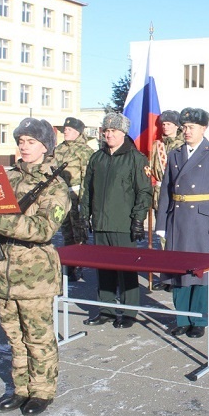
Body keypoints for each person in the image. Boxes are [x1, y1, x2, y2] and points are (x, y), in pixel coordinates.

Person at [0, 118, 70, 416]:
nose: (24, 146)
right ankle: (21, 388)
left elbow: (43, 229)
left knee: (37, 336)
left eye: (31, 141)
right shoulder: (7, 178)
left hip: (35, 276)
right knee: (14, 336)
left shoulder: (55, 185)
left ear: (45, 146)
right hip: (3, 272)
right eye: (21, 141)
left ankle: (42, 391)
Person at [156, 108, 209, 338]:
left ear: (203, 129)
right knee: (178, 270)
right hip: (177, 219)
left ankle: (199, 320)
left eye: (191, 127)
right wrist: (161, 222)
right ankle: (181, 318)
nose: (186, 131)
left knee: (199, 272)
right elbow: (166, 190)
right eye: (184, 127)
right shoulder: (175, 153)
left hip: (201, 221)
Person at [80, 112, 153, 329]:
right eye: (106, 130)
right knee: (103, 268)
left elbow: (144, 192)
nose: (108, 134)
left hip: (124, 224)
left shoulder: (136, 158)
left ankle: (130, 312)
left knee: (127, 270)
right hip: (101, 223)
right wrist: (85, 215)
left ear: (123, 133)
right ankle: (106, 309)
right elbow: (88, 191)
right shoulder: (97, 157)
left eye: (113, 131)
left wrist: (138, 220)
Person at [53, 116, 94, 281]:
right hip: (61, 196)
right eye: (64, 130)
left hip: (77, 195)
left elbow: (87, 177)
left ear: (78, 132)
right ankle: (68, 265)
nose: (65, 133)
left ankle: (79, 265)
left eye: (69, 130)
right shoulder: (58, 149)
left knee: (79, 233)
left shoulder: (85, 151)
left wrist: (84, 202)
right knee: (66, 232)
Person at [149, 110, 184, 291]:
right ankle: (166, 275)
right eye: (163, 124)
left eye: (169, 124)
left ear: (177, 126)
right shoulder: (157, 145)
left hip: (177, 195)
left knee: (177, 235)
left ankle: (177, 273)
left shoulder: (183, 145)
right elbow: (153, 170)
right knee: (162, 236)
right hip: (160, 194)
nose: (165, 126)